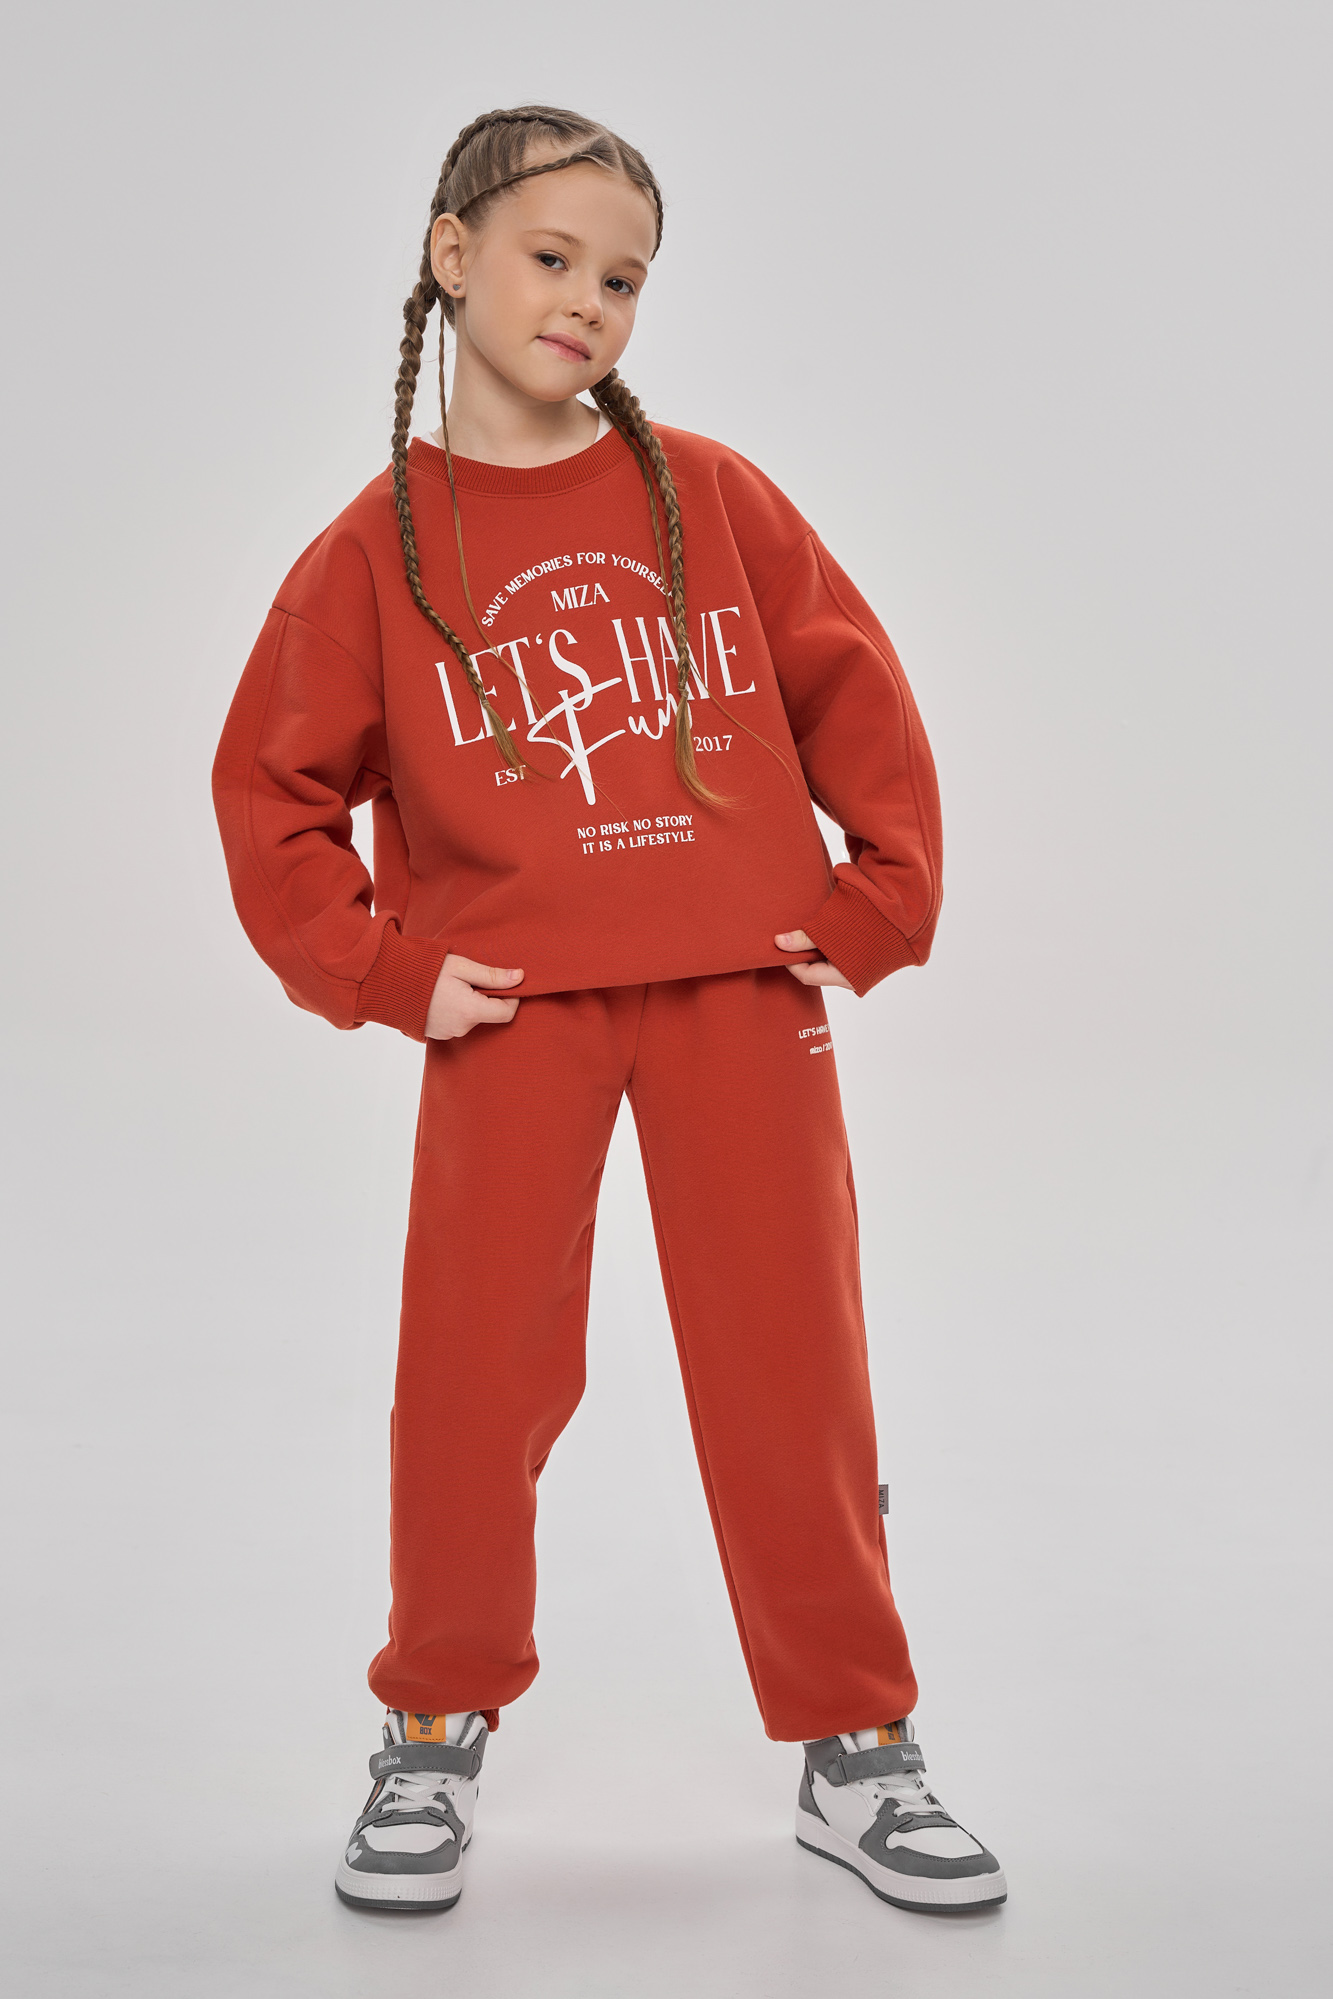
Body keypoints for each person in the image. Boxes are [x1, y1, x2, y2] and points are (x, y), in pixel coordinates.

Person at [212, 103, 1005, 1919]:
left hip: (742, 989)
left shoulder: (711, 496)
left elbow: (853, 689)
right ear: (452, 257)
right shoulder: (376, 549)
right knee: (473, 1378)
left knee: (792, 1368)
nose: (587, 300)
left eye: (624, 278)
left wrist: (878, 897)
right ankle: (431, 1724)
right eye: (552, 257)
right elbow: (270, 791)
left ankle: (855, 1742)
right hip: (511, 1016)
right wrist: (382, 968)